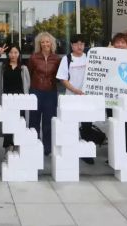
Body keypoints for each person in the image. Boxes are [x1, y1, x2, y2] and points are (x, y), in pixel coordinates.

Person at [57, 34, 95, 164]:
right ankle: (71, 149)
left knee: (87, 124)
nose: (80, 46)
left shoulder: (90, 58)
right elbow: (63, 78)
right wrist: (75, 90)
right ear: (72, 45)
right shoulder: (67, 59)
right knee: (71, 124)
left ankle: (86, 153)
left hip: (87, 97)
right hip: (71, 96)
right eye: (77, 44)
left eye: (82, 44)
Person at [27, 32, 61, 156]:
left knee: (49, 121)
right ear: (39, 44)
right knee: (34, 120)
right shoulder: (34, 57)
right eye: (42, 42)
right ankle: (33, 146)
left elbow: (59, 76)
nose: (45, 44)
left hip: (51, 92)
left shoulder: (56, 59)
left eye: (47, 41)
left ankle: (47, 148)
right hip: (36, 91)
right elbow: (29, 73)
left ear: (51, 43)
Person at [0, 44, 29, 154]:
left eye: (15, 52)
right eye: (11, 53)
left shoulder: (23, 68)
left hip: (20, 101)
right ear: (7, 54)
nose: (13, 55)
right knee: (8, 124)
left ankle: (18, 147)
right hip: (6, 101)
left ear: (19, 54)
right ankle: (8, 148)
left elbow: (27, 85)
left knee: (19, 124)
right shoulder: (2, 67)